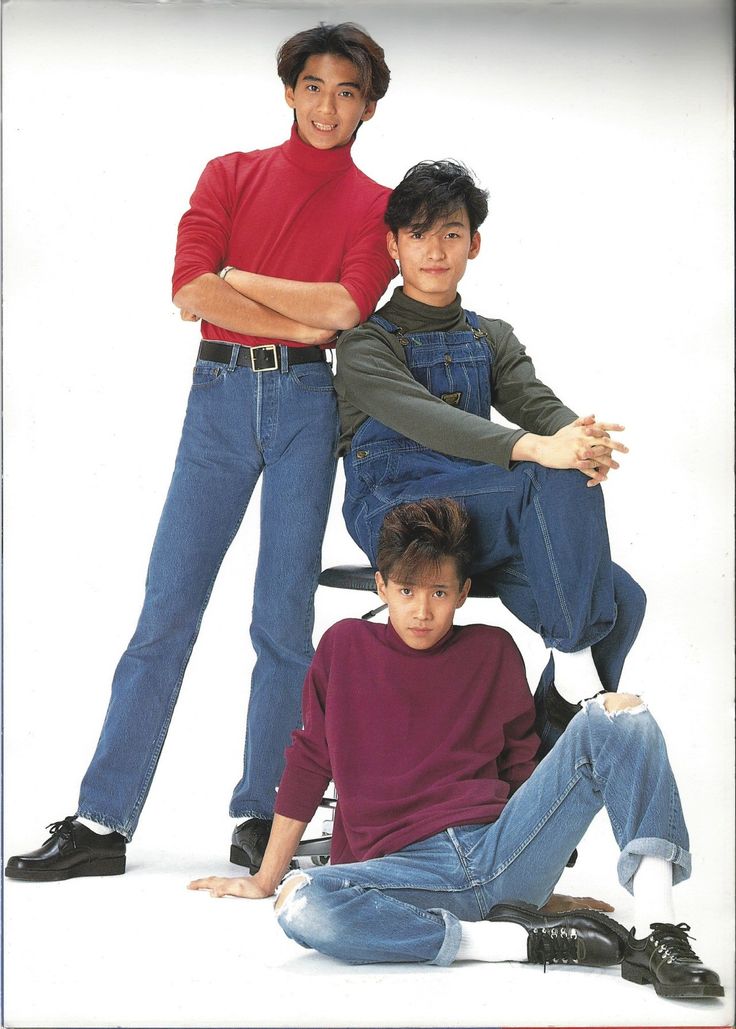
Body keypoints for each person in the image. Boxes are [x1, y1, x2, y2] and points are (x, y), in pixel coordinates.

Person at [6, 22, 397, 883]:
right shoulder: (230, 173)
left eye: (347, 92)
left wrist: (245, 285)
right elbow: (190, 286)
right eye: (314, 86)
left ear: (368, 105)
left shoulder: (377, 204)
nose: (328, 106)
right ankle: (103, 821)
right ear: (289, 90)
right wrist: (293, 317)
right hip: (218, 400)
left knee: (281, 623)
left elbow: (347, 306)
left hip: (307, 406)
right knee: (166, 611)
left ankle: (264, 816)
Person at [189, 498, 722, 1000]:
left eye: (439, 593)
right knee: (301, 900)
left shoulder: (493, 650)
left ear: (463, 591)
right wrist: (265, 878)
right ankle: (521, 942)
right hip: (402, 871)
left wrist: (539, 882)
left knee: (621, 714)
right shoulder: (343, 647)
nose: (422, 610)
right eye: (406, 591)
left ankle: (659, 932)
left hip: (501, 847)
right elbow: (309, 759)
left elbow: (522, 771)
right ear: (381, 586)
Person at [332, 159, 647, 754]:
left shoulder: (489, 337)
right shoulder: (364, 344)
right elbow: (430, 419)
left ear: (474, 244)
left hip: (485, 512)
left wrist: (582, 440)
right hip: (400, 511)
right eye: (418, 235)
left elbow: (537, 404)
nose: (435, 250)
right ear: (392, 244)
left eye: (450, 233)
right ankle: (575, 667)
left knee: (625, 597)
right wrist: (539, 449)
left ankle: (534, 774)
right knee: (543, 476)